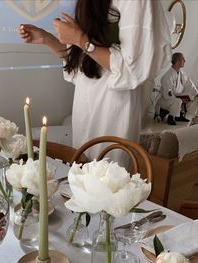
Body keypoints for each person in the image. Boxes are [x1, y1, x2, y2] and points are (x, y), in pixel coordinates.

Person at [19, 0, 171, 160]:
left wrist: (80, 39)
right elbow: (82, 64)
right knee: (81, 170)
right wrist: (47, 38)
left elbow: (132, 68)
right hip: (85, 102)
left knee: (108, 176)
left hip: (114, 103)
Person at [158, 52, 198, 125]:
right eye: (183, 59)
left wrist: (196, 93)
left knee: (195, 98)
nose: (185, 61)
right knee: (178, 101)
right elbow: (167, 95)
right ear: (177, 61)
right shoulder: (167, 76)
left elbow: (189, 84)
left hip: (177, 98)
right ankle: (171, 117)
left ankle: (184, 116)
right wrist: (181, 99)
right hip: (166, 100)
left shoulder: (181, 73)